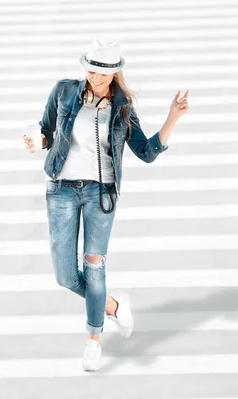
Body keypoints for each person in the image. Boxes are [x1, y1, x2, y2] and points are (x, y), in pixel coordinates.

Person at [24, 38, 189, 371]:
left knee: (94, 265)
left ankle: (93, 339)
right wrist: (36, 139)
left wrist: (172, 118)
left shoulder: (122, 106)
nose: (94, 79)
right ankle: (113, 306)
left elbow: (145, 151)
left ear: (114, 73)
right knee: (66, 276)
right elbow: (47, 130)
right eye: (90, 71)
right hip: (61, 189)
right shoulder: (64, 91)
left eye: (101, 74)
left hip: (101, 193)